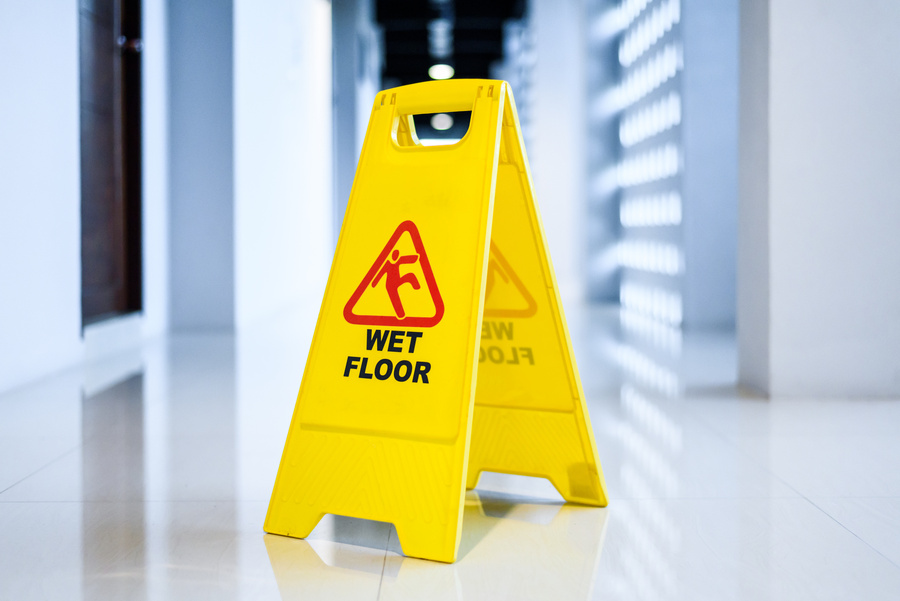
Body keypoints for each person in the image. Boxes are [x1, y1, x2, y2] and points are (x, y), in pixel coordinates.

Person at [373, 250, 420, 319]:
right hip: (390, 285)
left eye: (397, 255)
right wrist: (374, 283)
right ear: (391, 255)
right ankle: (401, 315)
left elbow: (408, 259)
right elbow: (380, 274)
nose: (395, 257)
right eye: (394, 255)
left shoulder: (399, 260)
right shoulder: (387, 264)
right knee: (396, 301)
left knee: (410, 276)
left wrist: (417, 257)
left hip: (397, 281)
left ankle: (417, 288)